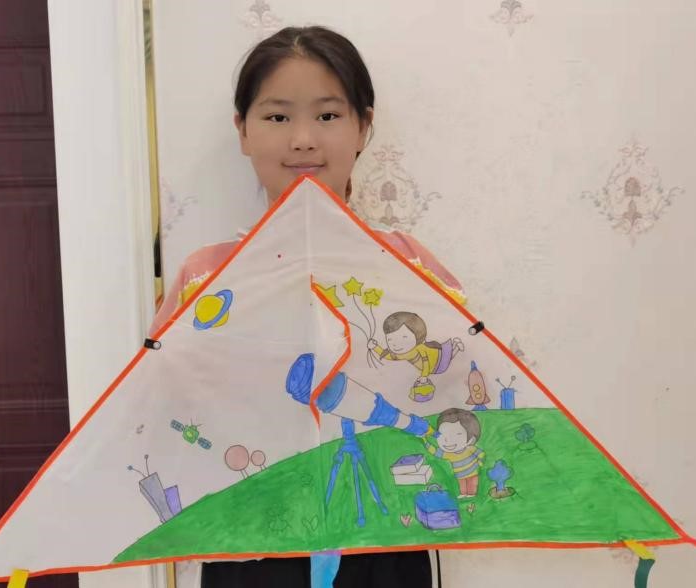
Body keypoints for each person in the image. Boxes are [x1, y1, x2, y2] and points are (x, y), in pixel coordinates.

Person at [150, 25, 466, 588]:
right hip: (251, 542)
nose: (302, 139)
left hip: (385, 541)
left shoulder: (409, 266)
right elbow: (163, 403)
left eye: (327, 115)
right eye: (276, 116)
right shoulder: (207, 278)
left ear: (362, 127)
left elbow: (456, 388)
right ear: (242, 131)